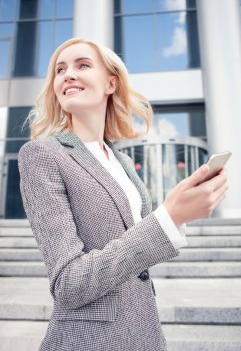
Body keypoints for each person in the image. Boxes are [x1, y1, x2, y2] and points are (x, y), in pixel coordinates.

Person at [18, 37, 228, 351]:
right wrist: (168, 218)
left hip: (143, 333)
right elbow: (69, 283)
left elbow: (134, 246)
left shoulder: (122, 161)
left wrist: (180, 211)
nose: (68, 75)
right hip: (89, 341)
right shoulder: (42, 155)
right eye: (60, 70)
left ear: (110, 83)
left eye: (83, 65)